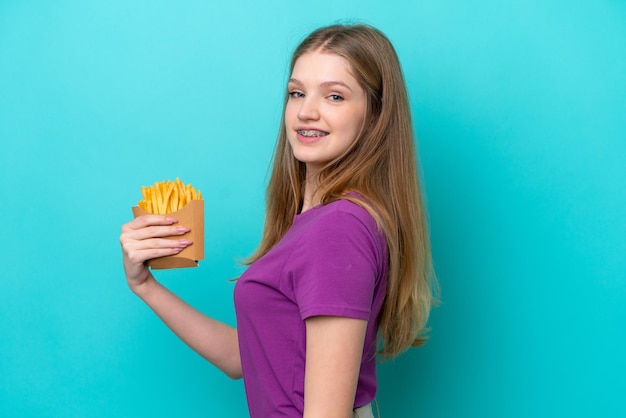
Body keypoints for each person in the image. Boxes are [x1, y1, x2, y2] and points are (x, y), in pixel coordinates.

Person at [120, 23, 437, 418]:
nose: (306, 111)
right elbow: (248, 358)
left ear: (375, 115)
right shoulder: (315, 223)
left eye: (335, 96)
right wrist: (146, 286)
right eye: (297, 93)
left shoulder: (338, 229)